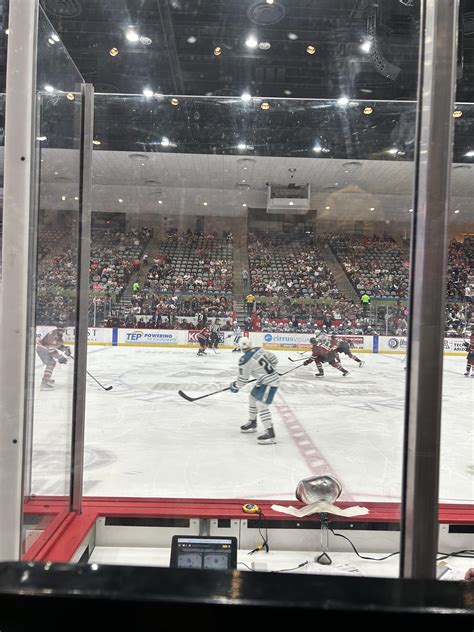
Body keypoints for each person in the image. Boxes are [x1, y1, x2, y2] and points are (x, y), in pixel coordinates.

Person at [229, 337, 279, 444]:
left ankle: (270, 434)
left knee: (261, 405)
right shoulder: (259, 350)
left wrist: (235, 386)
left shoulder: (244, 360)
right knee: (252, 398)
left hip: (269, 383)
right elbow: (274, 359)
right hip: (264, 380)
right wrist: (268, 371)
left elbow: (242, 380)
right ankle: (252, 422)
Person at [36, 326, 71, 390]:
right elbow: (51, 348)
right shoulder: (54, 335)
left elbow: (57, 345)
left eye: (63, 328)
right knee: (51, 363)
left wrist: (65, 349)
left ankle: (46, 379)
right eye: (61, 328)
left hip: (43, 348)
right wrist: (59, 357)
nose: (63, 330)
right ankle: (44, 382)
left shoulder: (57, 334)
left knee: (52, 363)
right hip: (42, 349)